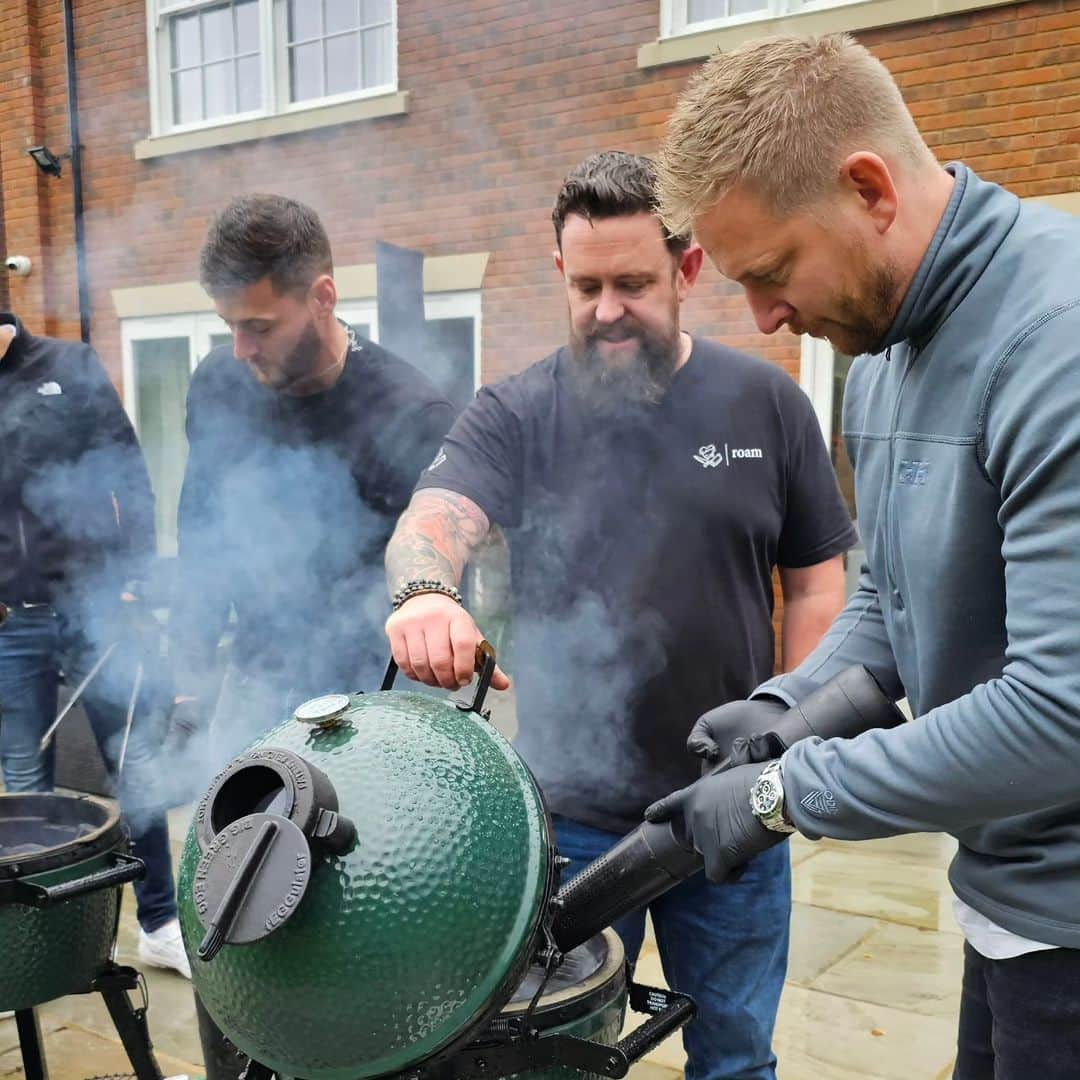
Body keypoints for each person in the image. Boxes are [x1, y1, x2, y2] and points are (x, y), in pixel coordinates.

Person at [651, 32, 1080, 1080]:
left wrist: (780, 796)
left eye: (771, 271)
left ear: (869, 189)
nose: (762, 317)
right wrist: (791, 704)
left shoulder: (1057, 342)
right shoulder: (882, 355)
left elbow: (1063, 711)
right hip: (1005, 899)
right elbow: (888, 597)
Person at [384, 151, 856, 1080]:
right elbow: (430, 525)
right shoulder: (514, 413)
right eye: (587, 284)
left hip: (735, 804)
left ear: (687, 271)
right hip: (571, 818)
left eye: (633, 283)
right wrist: (426, 592)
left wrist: (791, 733)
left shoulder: (767, 402)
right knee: (555, 1059)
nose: (607, 310)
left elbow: (815, 582)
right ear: (559, 272)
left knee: (734, 1056)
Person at [169, 194, 456, 773]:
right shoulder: (218, 383)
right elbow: (201, 535)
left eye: (259, 326)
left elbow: (432, 574)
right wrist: (189, 681)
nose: (241, 349)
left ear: (322, 297)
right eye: (229, 326)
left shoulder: (411, 411)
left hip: (377, 691)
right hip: (255, 675)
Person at [0, 312, 189, 978]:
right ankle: (47, 947)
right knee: (25, 789)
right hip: (9, 623)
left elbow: (126, 469)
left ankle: (160, 923)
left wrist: (136, 574)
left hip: (96, 605)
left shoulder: (67, 366)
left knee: (134, 763)